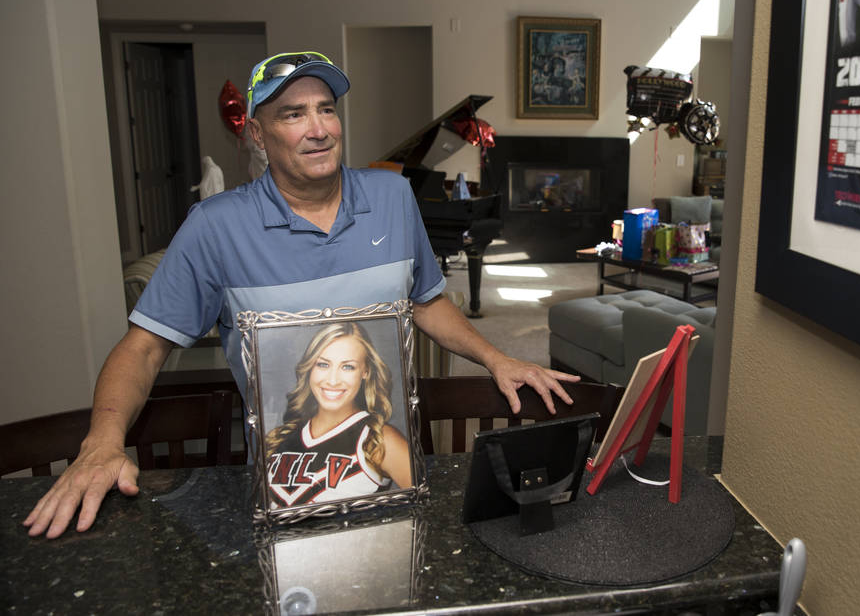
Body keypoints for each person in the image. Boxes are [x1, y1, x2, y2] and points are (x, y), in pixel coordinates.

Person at [24, 50, 577, 538]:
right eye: (293, 114)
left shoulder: (391, 196)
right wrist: (101, 441)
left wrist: (496, 357)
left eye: (327, 109)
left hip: (393, 470)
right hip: (285, 479)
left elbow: (425, 301)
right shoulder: (214, 226)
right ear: (259, 136)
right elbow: (143, 347)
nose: (319, 129)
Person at [266, 322, 409, 507]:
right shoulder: (280, 438)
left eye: (347, 367)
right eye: (323, 364)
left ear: (365, 371)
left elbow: (427, 508)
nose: (333, 380)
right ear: (310, 368)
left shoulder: (379, 439)